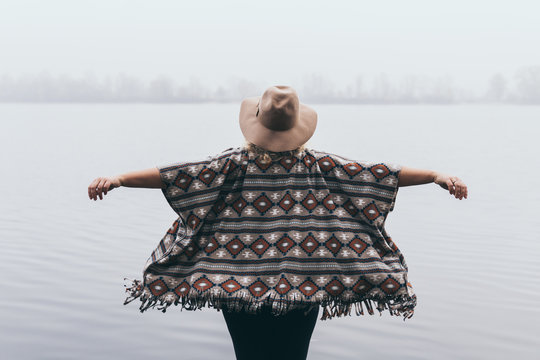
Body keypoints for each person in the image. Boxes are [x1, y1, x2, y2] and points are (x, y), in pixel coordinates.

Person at [88, 85, 468, 360]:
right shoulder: (319, 166)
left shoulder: (232, 165)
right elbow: (380, 174)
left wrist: (119, 179)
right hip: (303, 288)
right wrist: (436, 175)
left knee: (249, 356)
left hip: (236, 288)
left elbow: (176, 175)